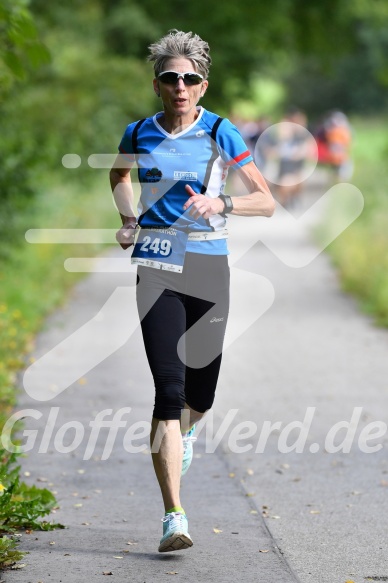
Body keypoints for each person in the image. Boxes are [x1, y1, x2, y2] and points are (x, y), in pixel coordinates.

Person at [109, 29, 275, 553]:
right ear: (157, 84)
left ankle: (189, 429)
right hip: (156, 265)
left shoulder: (221, 133)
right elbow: (118, 174)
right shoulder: (139, 131)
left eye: (190, 78)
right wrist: (129, 218)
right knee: (168, 389)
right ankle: (173, 516)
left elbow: (265, 201)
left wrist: (221, 205)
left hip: (207, 268)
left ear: (203, 87)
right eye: (170, 77)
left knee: (199, 395)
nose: (180, 86)